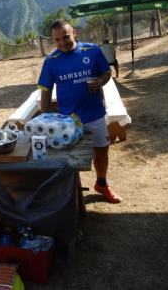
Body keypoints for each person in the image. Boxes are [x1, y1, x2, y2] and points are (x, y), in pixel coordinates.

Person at [37, 19, 122, 203]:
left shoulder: (92, 50)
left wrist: (100, 82)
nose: (62, 43)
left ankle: (102, 184)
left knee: (101, 151)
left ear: (74, 33)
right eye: (57, 40)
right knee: (69, 158)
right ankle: (71, 193)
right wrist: (43, 119)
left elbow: (106, 72)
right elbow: (45, 90)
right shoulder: (51, 61)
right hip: (68, 121)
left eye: (65, 37)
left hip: (95, 114)